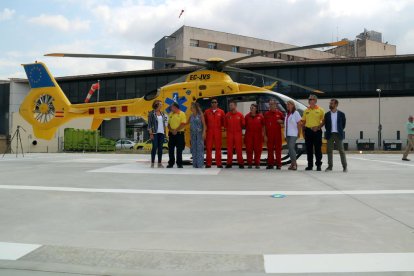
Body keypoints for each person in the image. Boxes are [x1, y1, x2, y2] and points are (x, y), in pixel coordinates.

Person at [301, 94, 325, 171]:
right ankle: (310, 165)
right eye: (309, 99)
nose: (310, 101)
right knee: (309, 149)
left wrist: (318, 127)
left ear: (315, 101)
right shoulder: (306, 110)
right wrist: (303, 132)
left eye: (311, 99)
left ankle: (318, 165)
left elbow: (324, 121)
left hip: (317, 131)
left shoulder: (320, 110)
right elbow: (303, 122)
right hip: (308, 131)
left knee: (318, 149)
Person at [323, 99, 347, 172]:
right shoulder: (327, 114)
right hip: (330, 134)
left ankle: (344, 167)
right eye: (330, 103)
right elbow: (326, 125)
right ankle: (330, 167)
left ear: (336, 105)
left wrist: (339, 130)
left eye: (332, 103)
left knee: (341, 151)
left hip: (338, 134)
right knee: (329, 151)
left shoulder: (341, 114)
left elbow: (343, 124)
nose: (330, 105)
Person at [264, 99, 285, 169]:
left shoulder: (280, 113)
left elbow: (285, 122)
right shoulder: (266, 114)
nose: (271, 106)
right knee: (270, 150)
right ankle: (270, 164)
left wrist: (281, 122)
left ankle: (278, 164)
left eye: (272, 104)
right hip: (269, 135)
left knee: (278, 150)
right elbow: (264, 126)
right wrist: (265, 135)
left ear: (275, 105)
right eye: (270, 104)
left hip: (277, 135)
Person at [204, 98, 225, 168]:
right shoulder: (207, 112)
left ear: (217, 103)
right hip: (209, 131)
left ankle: (219, 163)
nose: (214, 103)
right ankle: (208, 163)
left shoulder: (221, 112)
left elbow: (223, 122)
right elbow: (205, 122)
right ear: (211, 103)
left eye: (215, 102)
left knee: (218, 148)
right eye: (212, 102)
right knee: (208, 148)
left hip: (218, 131)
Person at [147, 100, 168, 168]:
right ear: (157, 105)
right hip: (154, 132)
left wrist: (165, 132)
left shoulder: (162, 113)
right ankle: (152, 163)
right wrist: (151, 134)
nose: (161, 105)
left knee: (160, 148)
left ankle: (159, 163)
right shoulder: (151, 113)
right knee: (154, 147)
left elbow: (164, 123)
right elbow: (149, 124)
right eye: (160, 104)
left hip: (161, 132)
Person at [224, 101, 245, 168]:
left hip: (237, 134)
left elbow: (243, 124)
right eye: (230, 105)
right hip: (230, 134)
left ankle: (241, 163)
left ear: (235, 106)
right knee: (229, 149)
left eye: (231, 105)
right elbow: (225, 125)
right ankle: (229, 163)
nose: (230, 106)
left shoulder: (240, 115)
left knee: (239, 149)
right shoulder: (227, 115)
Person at [244, 104, 264, 169]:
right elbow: (244, 126)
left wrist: (263, 134)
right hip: (249, 135)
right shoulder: (247, 116)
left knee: (258, 150)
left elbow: (263, 126)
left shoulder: (260, 116)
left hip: (258, 136)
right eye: (250, 107)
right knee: (249, 150)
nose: (251, 108)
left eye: (253, 107)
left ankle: (257, 163)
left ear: (256, 109)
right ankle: (249, 163)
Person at [167, 102, 187, 168]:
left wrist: (176, 130)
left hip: (179, 134)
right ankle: (171, 163)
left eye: (172, 107)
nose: (171, 108)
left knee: (179, 149)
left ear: (175, 107)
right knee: (171, 149)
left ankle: (179, 163)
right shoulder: (170, 114)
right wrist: (172, 130)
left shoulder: (182, 114)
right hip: (172, 134)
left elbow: (183, 124)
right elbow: (168, 124)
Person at [284, 100, 302, 170]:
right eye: (287, 104)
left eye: (289, 104)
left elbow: (299, 123)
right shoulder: (287, 113)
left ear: (293, 105)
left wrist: (299, 133)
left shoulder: (296, 113)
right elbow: (286, 124)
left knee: (291, 148)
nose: (287, 105)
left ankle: (294, 164)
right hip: (287, 134)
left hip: (293, 134)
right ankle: (292, 163)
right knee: (290, 149)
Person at [189, 102, 206, 168]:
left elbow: (204, 125)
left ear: (195, 108)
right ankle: (195, 164)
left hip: (199, 134)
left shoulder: (200, 115)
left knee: (200, 149)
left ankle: (200, 164)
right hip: (193, 134)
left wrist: (204, 132)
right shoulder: (191, 116)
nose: (191, 108)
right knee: (194, 148)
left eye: (192, 107)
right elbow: (186, 123)